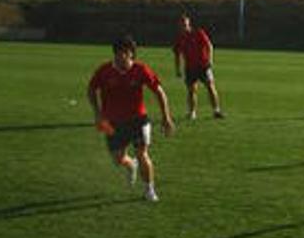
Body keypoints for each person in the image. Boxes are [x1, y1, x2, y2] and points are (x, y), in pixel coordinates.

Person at [88, 35, 175, 202]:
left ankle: (149, 189)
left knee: (142, 153)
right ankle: (131, 165)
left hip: (138, 120)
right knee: (117, 159)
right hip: (111, 121)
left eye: (125, 53)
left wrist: (166, 117)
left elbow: (159, 92)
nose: (122, 57)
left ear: (132, 54)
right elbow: (91, 90)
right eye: (118, 53)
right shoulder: (104, 71)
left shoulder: (141, 70)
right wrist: (97, 113)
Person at [172, 13, 224, 120]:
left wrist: (210, 60)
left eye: (185, 25)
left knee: (210, 87)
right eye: (181, 25)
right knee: (191, 91)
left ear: (189, 24)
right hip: (190, 68)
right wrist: (178, 69)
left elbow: (209, 45)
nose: (184, 27)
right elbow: (177, 54)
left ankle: (216, 110)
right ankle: (192, 113)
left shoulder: (198, 33)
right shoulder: (179, 38)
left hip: (203, 66)